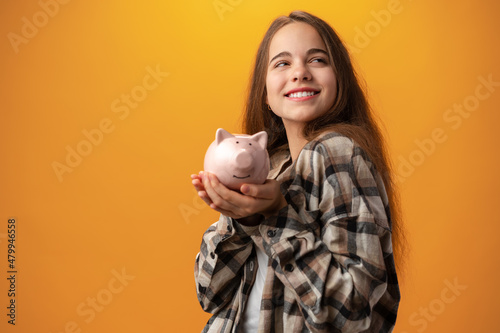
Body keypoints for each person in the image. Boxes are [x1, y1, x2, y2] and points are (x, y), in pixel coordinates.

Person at [191, 10, 404, 333]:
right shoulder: (268, 168)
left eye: (317, 60)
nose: (300, 73)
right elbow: (209, 294)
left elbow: (351, 315)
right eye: (282, 63)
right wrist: (243, 219)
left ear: (340, 79)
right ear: (265, 91)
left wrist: (277, 217)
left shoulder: (336, 152)